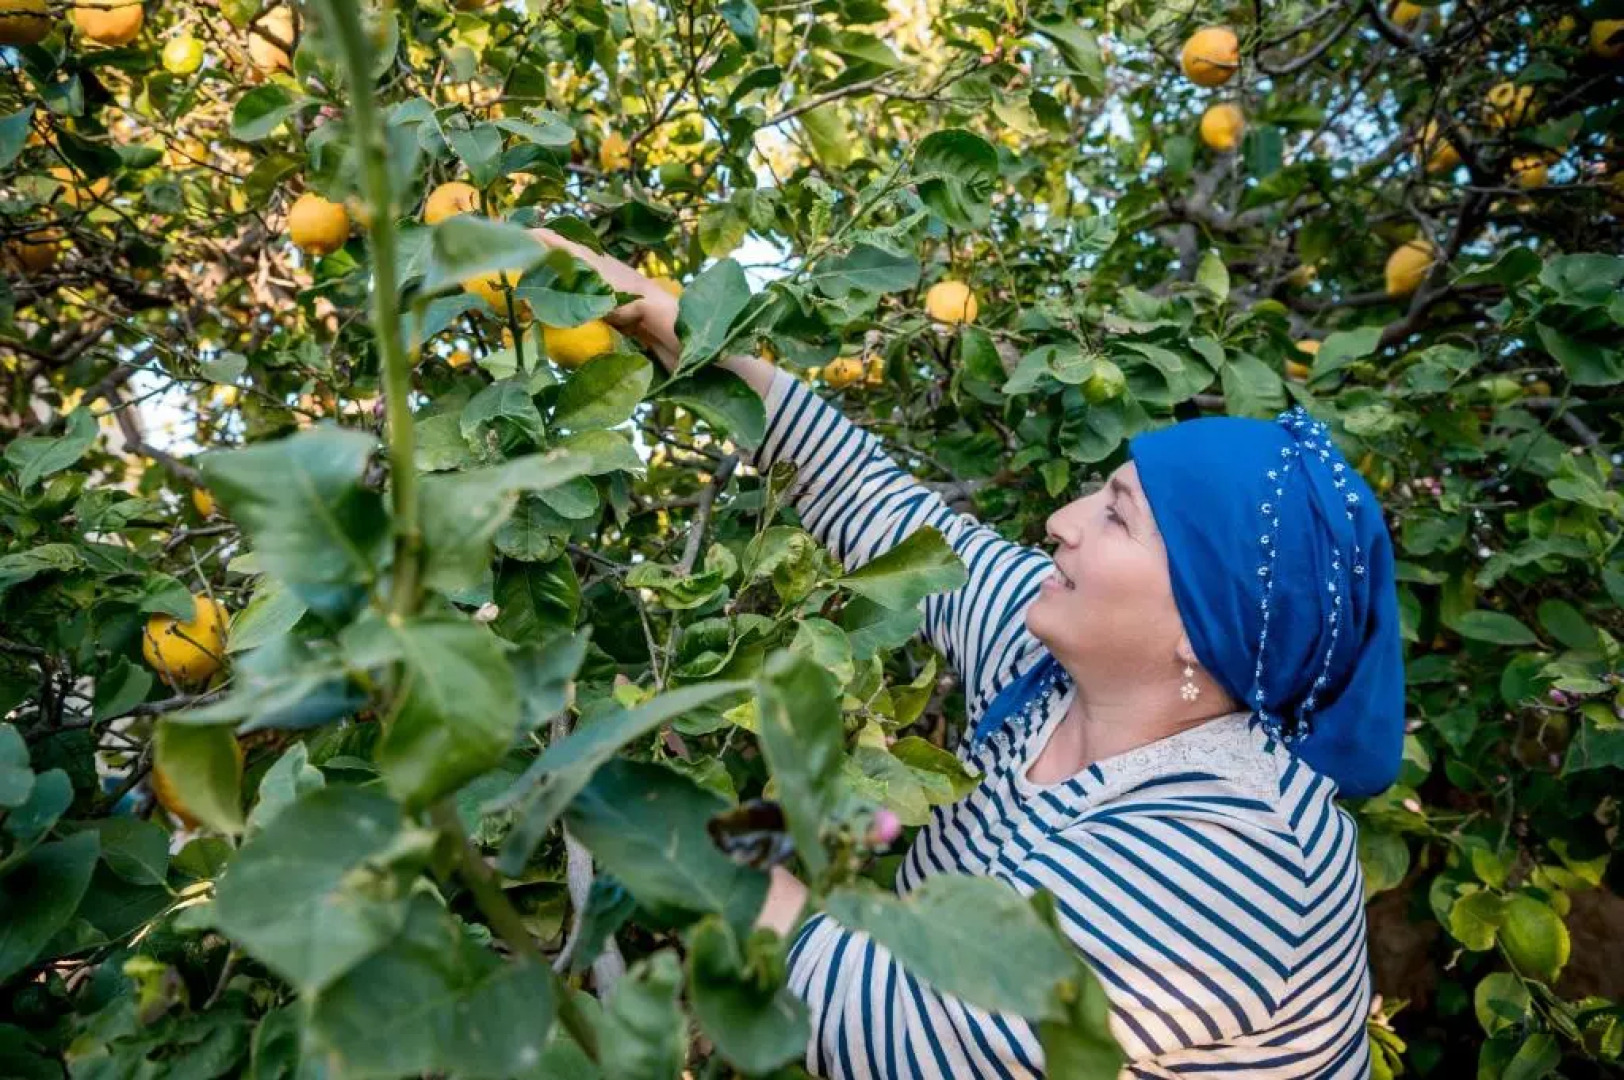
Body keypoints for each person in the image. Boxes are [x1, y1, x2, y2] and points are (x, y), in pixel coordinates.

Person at [530, 229, 1406, 1079]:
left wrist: (661, 829)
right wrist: (668, 318)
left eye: (1117, 516)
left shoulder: (1236, 856)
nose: (1061, 523)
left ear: (1200, 625)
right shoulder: (1054, 676)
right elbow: (881, 505)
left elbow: (884, 1027)